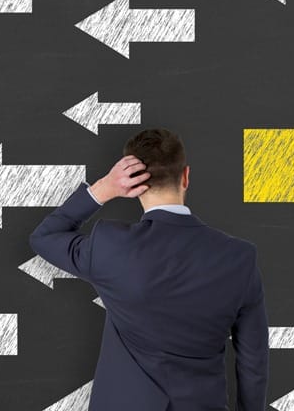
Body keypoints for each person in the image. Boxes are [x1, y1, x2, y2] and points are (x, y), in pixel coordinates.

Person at [29, 128, 268, 410]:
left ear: (133, 186)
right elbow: (253, 362)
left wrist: (103, 188)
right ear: (186, 176)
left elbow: (44, 237)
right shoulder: (239, 257)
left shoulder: (111, 247)